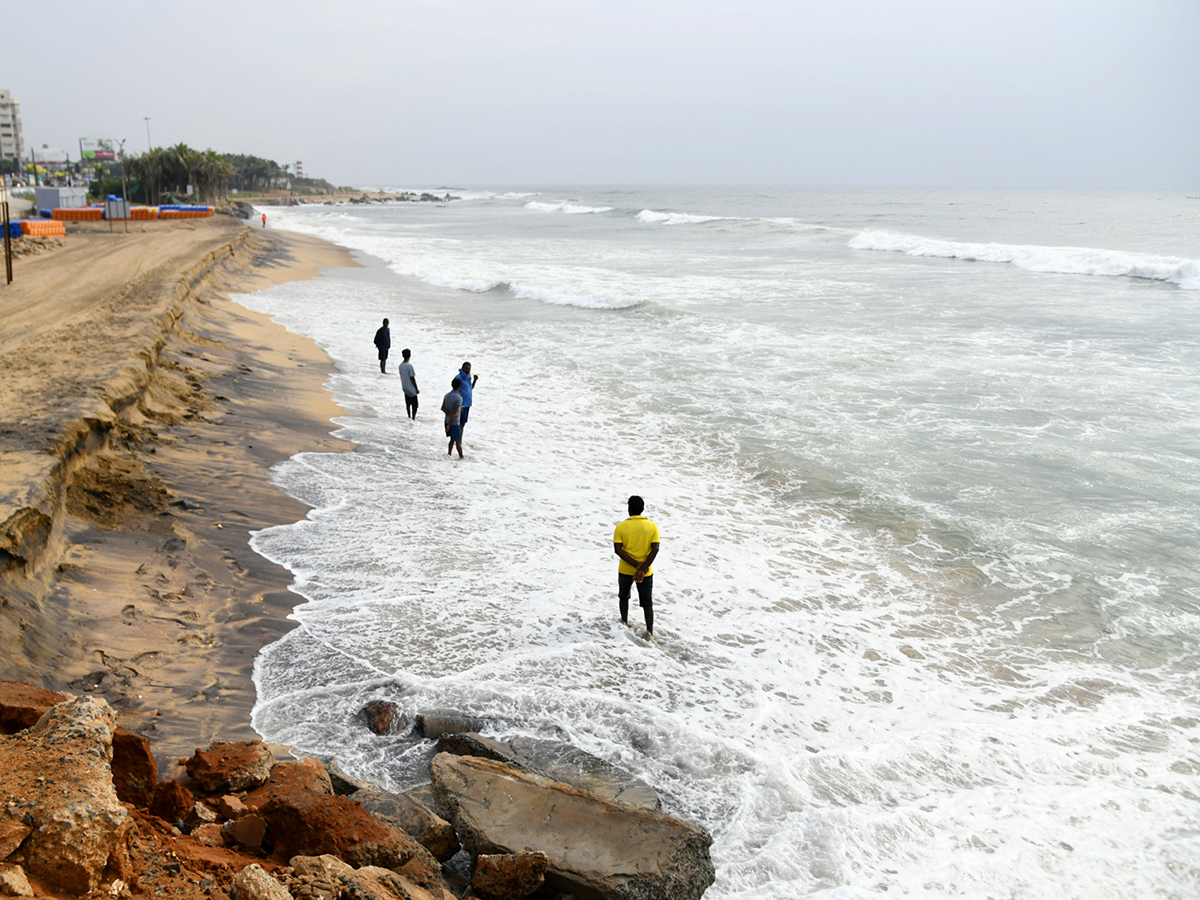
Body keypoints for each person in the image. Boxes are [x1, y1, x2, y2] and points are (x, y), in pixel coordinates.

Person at [613, 495, 660, 638]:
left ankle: (624, 623)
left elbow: (618, 550)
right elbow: (655, 548)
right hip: (646, 572)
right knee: (647, 603)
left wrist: (635, 565)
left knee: (624, 598)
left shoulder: (621, 526)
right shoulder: (651, 526)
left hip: (626, 569)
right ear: (642, 509)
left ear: (629, 509)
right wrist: (643, 568)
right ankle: (650, 632)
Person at [442, 377, 464, 459]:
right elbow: (454, 413)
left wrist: (449, 414)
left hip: (447, 420)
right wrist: (450, 424)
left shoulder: (447, 395)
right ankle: (461, 457)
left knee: (452, 439)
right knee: (458, 441)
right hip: (454, 423)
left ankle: (449, 454)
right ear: (460, 386)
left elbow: (443, 408)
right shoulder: (459, 398)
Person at [456, 361, 478, 431]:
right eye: (466, 368)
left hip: (467, 404)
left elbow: (470, 388)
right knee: (458, 424)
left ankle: (459, 440)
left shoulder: (468, 377)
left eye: (469, 369)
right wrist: (459, 405)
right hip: (461, 405)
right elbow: (455, 392)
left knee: (463, 424)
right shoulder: (458, 378)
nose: (468, 370)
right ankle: (457, 440)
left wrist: (475, 380)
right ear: (462, 368)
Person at [398, 348, 419, 419]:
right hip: (410, 387)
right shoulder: (409, 366)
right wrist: (416, 388)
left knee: (408, 403)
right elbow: (412, 377)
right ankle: (413, 417)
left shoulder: (400, 365)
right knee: (415, 405)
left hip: (404, 386)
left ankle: (409, 416)